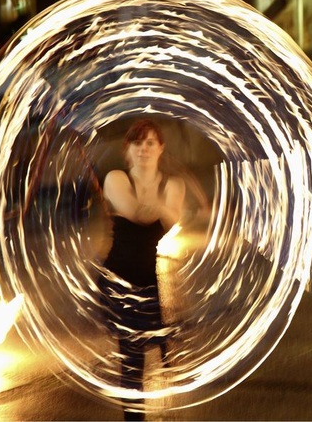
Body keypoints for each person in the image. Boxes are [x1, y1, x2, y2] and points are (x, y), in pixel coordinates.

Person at [99, 118, 185, 420]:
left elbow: (171, 223)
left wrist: (159, 206)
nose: (144, 149)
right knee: (133, 358)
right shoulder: (115, 178)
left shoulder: (174, 184)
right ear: (127, 150)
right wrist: (161, 204)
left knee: (162, 354)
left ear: (160, 148)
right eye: (137, 143)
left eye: (150, 142)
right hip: (118, 278)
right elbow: (139, 214)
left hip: (148, 281)